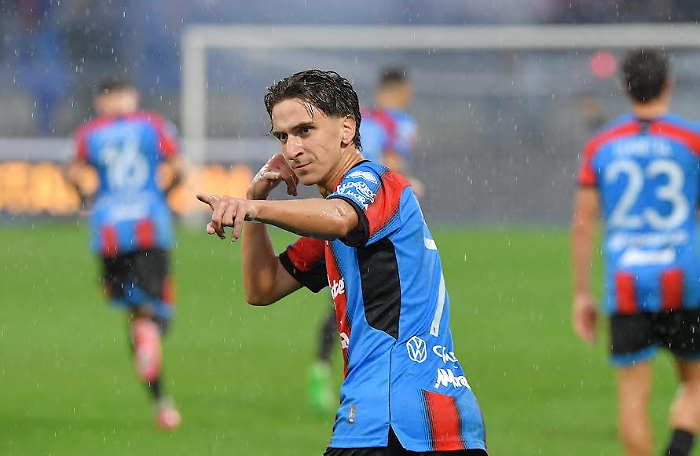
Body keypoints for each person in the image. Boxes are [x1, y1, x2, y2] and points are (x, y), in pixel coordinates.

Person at [197, 69, 488, 455]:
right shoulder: (337, 229)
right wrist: (255, 196)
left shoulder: (376, 183)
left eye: (304, 130)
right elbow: (262, 287)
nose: (292, 149)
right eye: (282, 136)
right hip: (435, 417)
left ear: (347, 129)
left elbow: (338, 216)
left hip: (390, 417)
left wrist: (252, 208)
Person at [572, 48, 700, 456]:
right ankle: (678, 447)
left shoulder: (602, 145)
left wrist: (582, 293)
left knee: (632, 398)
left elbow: (583, 221)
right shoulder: (692, 140)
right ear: (668, 83)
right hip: (684, 277)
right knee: (696, 383)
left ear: (626, 87)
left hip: (627, 281)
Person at [64, 76, 184, 430]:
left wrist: (85, 198)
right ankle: (152, 332)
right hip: (149, 225)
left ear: (100, 101)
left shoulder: (89, 134)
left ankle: (162, 405)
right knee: (159, 311)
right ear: (132, 96)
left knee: (133, 315)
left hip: (110, 231)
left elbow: (72, 174)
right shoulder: (153, 125)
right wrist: (164, 195)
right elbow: (179, 168)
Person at [307, 65, 424, 414]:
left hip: (343, 210)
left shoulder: (358, 119)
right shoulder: (399, 123)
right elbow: (391, 166)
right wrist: (410, 186)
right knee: (389, 299)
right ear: (402, 90)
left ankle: (321, 366)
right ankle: (390, 380)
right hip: (377, 218)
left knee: (342, 295)